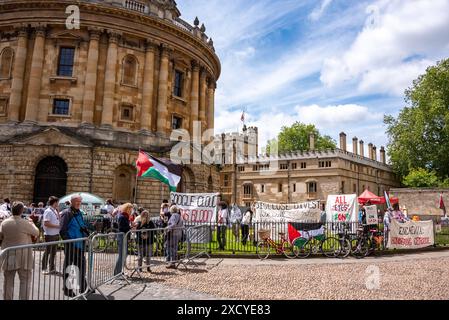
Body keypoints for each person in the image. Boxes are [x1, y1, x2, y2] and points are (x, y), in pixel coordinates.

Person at [0, 202, 40, 300]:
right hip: (23, 256)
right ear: (22, 211)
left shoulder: (4, 222)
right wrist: (32, 222)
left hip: (9, 254)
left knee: (8, 281)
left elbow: (1, 236)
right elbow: (36, 232)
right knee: (25, 280)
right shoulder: (25, 222)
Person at [60, 194, 90, 297]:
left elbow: (81, 225)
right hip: (71, 245)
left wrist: (86, 231)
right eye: (76, 201)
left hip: (80, 244)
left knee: (81, 266)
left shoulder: (78, 213)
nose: (78, 203)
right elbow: (62, 231)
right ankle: (67, 289)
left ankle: (83, 288)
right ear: (72, 202)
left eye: (80, 201)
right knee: (68, 268)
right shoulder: (67, 213)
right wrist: (69, 242)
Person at [41, 196, 61, 275]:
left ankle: (52, 268)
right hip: (49, 234)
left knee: (53, 252)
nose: (58, 204)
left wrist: (58, 211)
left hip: (55, 234)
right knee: (48, 251)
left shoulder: (55, 211)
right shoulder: (48, 211)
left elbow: (59, 219)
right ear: (55, 202)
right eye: (57, 202)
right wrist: (57, 226)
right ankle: (44, 268)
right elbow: (46, 223)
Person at [114, 203, 132, 275]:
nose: (131, 210)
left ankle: (120, 271)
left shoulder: (126, 216)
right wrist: (130, 227)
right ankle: (117, 273)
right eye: (130, 209)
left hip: (125, 237)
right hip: (121, 237)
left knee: (124, 254)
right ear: (127, 209)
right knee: (121, 255)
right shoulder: (122, 217)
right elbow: (121, 228)